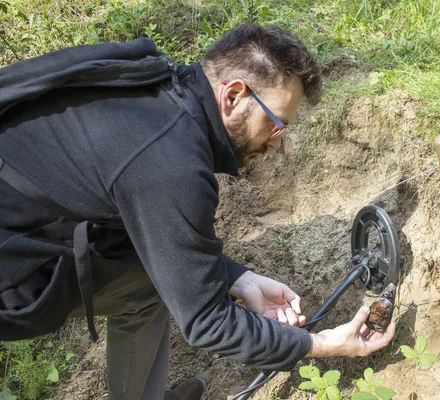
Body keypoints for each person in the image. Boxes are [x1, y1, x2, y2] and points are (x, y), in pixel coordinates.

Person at [0, 23, 396, 399]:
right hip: (13, 267)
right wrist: (322, 342)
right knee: (149, 287)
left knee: (153, 279)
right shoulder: (171, 164)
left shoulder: (154, 83)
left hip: (27, 213)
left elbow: (163, 239)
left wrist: (240, 279)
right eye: (275, 125)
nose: (276, 143)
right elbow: (208, 323)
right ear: (233, 95)